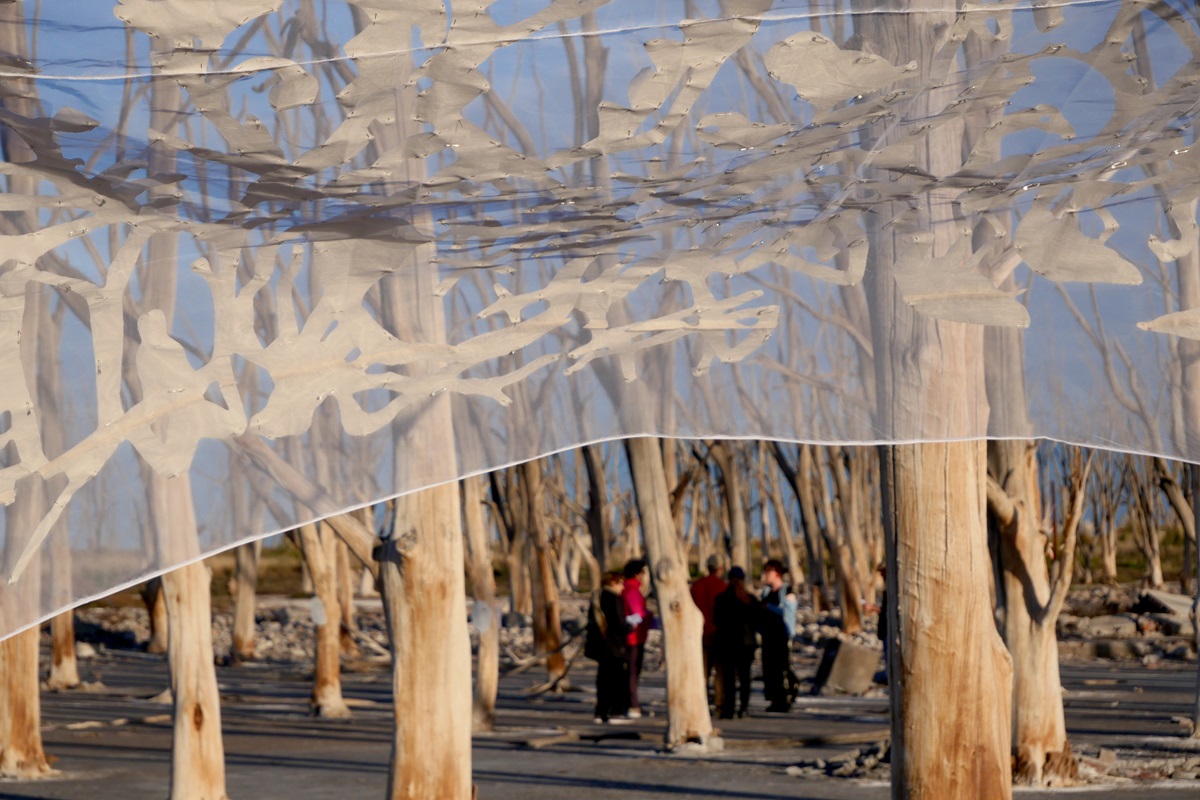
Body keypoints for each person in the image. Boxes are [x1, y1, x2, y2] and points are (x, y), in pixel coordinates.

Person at [584, 571, 631, 723]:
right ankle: (616, 712)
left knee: (603, 680)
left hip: (598, 645)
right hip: (613, 645)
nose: (622, 587)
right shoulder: (614, 599)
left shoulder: (597, 597)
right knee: (617, 679)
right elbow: (618, 624)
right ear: (612, 582)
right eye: (620, 583)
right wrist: (630, 626)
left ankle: (600, 712)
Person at [713, 566, 757, 719]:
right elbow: (756, 622)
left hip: (727, 644)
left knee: (728, 679)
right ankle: (743, 707)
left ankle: (729, 708)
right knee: (745, 678)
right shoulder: (750, 600)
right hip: (746, 644)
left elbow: (716, 620)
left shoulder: (721, 599)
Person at [759, 559, 798, 712]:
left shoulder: (787, 591)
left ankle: (785, 697)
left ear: (776, 573)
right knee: (769, 668)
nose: (766, 575)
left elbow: (788, 613)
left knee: (782, 666)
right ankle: (774, 699)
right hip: (767, 636)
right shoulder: (766, 592)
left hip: (782, 635)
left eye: (768, 571)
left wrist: (768, 607)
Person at [689, 554, 726, 707]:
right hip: (719, 634)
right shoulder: (723, 586)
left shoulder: (696, 586)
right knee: (720, 673)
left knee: (702, 673)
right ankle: (719, 703)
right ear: (720, 568)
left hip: (700, 634)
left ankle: (699, 704)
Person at [622, 558, 653, 718]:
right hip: (634, 637)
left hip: (630, 637)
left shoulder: (624, 588)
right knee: (633, 672)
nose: (643, 576)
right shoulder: (633, 591)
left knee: (630, 671)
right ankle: (633, 705)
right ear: (636, 573)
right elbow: (637, 615)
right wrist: (648, 615)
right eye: (642, 573)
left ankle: (627, 703)